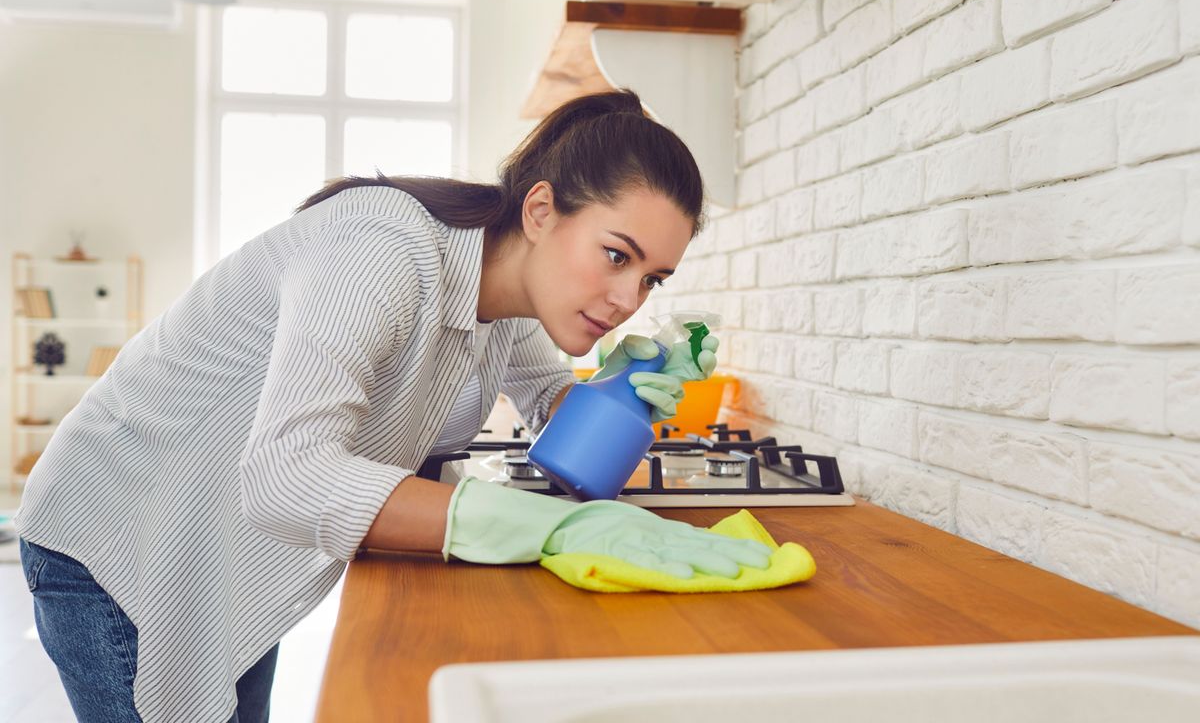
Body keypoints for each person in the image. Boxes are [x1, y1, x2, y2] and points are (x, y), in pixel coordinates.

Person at [14, 89, 770, 723]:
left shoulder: (507, 303)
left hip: (225, 539)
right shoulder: (381, 245)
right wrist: (546, 528)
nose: (628, 300)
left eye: (653, 280)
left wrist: (620, 396)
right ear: (541, 210)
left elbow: (556, 419)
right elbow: (287, 475)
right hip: (122, 530)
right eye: (616, 255)